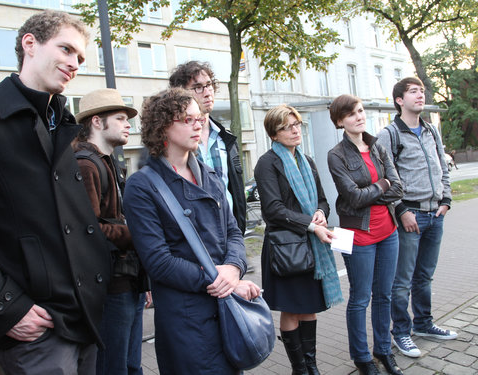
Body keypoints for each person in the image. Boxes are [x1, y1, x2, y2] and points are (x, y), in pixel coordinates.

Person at [0, 10, 111, 374]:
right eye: (66, 50)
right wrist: (8, 305)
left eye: (79, 58)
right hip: (34, 326)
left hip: (83, 314)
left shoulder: (61, 121)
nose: (74, 63)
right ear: (29, 44)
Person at [123, 88, 261, 374]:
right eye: (187, 119)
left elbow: (233, 231)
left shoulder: (209, 175)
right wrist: (221, 280)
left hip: (225, 307)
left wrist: (234, 268)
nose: (198, 125)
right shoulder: (142, 185)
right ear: (162, 125)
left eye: (200, 118)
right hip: (186, 317)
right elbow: (159, 261)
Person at [254, 104, 342, 375]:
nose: (295, 130)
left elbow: (324, 200)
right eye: (287, 126)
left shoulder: (307, 160)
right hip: (286, 250)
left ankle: (311, 365)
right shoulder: (267, 163)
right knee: (292, 310)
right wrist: (310, 225)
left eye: (297, 124)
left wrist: (320, 213)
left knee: (309, 308)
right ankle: (299, 368)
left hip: (310, 248)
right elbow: (273, 210)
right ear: (274, 133)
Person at [73, 89, 151, 375]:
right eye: (120, 118)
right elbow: (88, 230)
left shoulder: (109, 162)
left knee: (131, 365)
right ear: (96, 122)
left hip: (129, 280)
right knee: (113, 367)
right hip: (110, 286)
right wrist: (139, 235)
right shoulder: (86, 164)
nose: (128, 124)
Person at [377, 77, 456, 358]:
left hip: (436, 214)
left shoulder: (432, 131)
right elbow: (385, 177)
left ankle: (424, 324)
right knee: (402, 280)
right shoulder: (390, 134)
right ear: (399, 100)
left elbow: (442, 167)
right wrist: (401, 210)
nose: (420, 95)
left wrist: (446, 200)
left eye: (421, 91)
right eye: (413, 92)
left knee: (425, 276)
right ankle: (400, 332)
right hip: (410, 215)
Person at [327, 95, 403, 375]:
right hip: (357, 234)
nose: (359, 117)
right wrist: (382, 184)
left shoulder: (378, 146)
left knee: (384, 294)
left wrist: (377, 189)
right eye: (351, 114)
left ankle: (383, 350)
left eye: (360, 111)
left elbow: (399, 188)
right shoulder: (336, 155)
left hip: (389, 231)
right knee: (360, 298)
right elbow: (353, 198)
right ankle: (361, 358)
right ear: (339, 121)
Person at [169, 61, 246, 234]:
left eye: (209, 85)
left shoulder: (226, 138)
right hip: (194, 236)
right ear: (180, 94)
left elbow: (234, 190)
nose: (207, 92)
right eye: (197, 87)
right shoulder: (174, 142)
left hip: (231, 233)